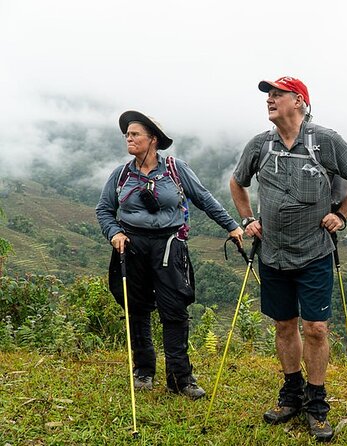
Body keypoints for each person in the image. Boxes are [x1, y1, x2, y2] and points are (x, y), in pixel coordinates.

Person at [230, 76, 347, 442]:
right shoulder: (260, 144)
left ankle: (317, 402)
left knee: (316, 328)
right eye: (269, 95)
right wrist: (247, 219)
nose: (270, 100)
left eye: (278, 94)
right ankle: (291, 394)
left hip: (315, 252)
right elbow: (237, 182)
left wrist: (341, 215)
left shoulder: (325, 141)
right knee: (283, 325)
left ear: (299, 101)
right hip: (273, 252)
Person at [96, 110, 243, 400]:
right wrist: (114, 233)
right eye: (127, 133)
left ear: (153, 140)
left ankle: (180, 377)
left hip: (169, 246)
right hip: (132, 246)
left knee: (174, 310)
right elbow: (104, 209)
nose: (129, 137)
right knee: (136, 308)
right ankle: (143, 371)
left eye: (135, 133)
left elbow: (203, 199)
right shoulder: (122, 174)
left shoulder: (175, 170)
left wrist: (231, 226)